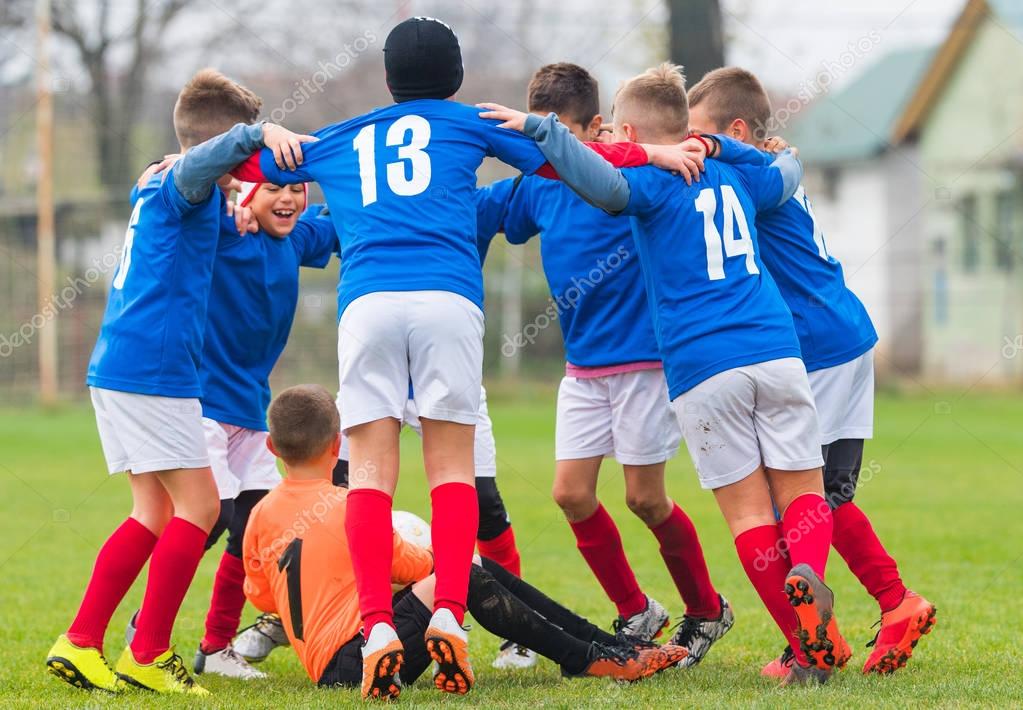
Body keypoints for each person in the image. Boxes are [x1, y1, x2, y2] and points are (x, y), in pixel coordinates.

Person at [231, 17, 703, 698]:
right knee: (452, 470)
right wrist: (653, 156)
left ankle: (380, 627)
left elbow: (241, 168)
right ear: (453, 76)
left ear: (389, 79)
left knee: (368, 475)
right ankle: (449, 611)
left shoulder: (340, 137)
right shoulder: (472, 122)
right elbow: (575, 164)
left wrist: (254, 137)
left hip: (367, 305)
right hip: (446, 301)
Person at [479, 62, 847, 686]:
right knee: (802, 495)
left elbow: (600, 180)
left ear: (617, 129)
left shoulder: (645, 181)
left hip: (695, 361)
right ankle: (806, 587)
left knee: (747, 516)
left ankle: (787, 640)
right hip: (774, 347)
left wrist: (546, 138)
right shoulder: (735, 171)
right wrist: (726, 146)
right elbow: (785, 172)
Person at [44, 69, 314, 695]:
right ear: (229, 145)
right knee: (198, 508)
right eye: (245, 153)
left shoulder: (173, 185)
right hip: (153, 371)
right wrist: (258, 133)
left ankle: (81, 642)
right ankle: (149, 650)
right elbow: (202, 169)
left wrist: (237, 186)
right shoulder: (182, 185)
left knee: (153, 512)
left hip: (123, 368)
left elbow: (205, 180)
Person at [475, 62, 732, 664]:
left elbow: (659, 167)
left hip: (644, 359)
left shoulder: (632, 173)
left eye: (558, 133)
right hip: (584, 367)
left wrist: (657, 154)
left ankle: (707, 608)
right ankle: (636, 611)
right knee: (570, 494)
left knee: (645, 498)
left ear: (598, 129)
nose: (550, 146)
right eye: (539, 134)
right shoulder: (537, 184)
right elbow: (476, 210)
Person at [686, 66, 936, 676]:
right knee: (825, 496)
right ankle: (896, 604)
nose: (690, 148)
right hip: (842, 332)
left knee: (790, 501)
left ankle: (812, 634)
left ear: (735, 130)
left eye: (699, 135)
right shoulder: (769, 166)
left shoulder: (744, 170)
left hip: (815, 345)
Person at [242, 384, 689, 699]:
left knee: (476, 571)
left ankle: (603, 646)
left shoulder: (260, 515)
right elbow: (412, 567)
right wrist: (435, 553)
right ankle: (588, 656)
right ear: (338, 444)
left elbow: (262, 596)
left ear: (273, 448)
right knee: (464, 575)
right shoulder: (349, 506)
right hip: (360, 658)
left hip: (330, 665)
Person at [332, 384, 537, 670]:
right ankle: (327, 621)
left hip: (443, 374)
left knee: (484, 501)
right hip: (378, 378)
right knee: (336, 496)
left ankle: (517, 634)